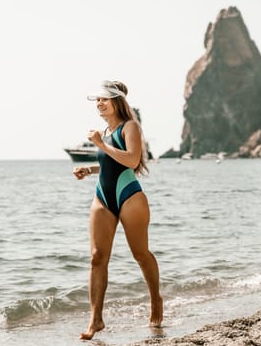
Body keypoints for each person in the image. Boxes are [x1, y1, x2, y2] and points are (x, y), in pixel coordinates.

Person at [73, 80, 163, 340]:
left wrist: (100, 145)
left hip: (129, 197)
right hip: (102, 197)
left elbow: (132, 161)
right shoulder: (106, 130)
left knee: (140, 254)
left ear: (117, 102)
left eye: (104, 99)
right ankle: (95, 319)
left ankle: (156, 300)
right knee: (96, 257)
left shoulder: (130, 127)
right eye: (97, 101)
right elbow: (111, 165)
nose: (99, 104)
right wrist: (89, 169)